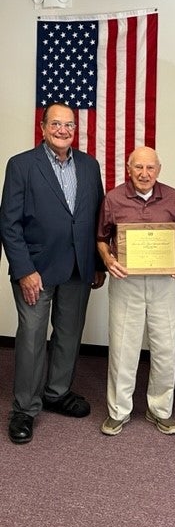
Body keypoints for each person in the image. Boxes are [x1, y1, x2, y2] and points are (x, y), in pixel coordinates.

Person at [0, 102, 106, 444]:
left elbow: (97, 219)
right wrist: (23, 269)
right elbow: (9, 223)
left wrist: (99, 264)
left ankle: (57, 393)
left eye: (69, 125)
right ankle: (25, 409)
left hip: (78, 267)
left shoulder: (90, 166)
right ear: (43, 127)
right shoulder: (21, 165)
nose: (63, 130)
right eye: (56, 124)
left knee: (69, 334)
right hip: (36, 270)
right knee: (32, 338)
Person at [97, 146, 175, 436]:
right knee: (123, 348)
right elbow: (101, 238)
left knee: (165, 347)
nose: (144, 174)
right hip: (127, 281)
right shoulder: (113, 197)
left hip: (164, 283)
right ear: (129, 168)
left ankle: (160, 410)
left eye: (150, 168)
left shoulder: (172, 195)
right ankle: (118, 411)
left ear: (158, 170)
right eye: (138, 167)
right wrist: (108, 259)